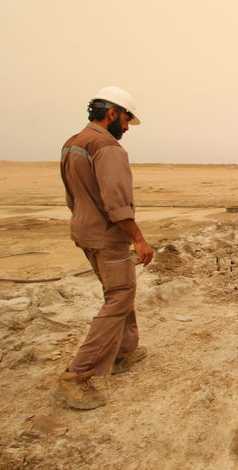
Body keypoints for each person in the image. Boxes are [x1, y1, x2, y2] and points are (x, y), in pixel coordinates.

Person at [52, 86, 154, 410]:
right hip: (108, 238)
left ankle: (126, 350)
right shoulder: (108, 148)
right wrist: (138, 238)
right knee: (119, 297)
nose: (126, 127)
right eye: (125, 119)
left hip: (85, 233)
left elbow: (72, 196)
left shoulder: (73, 144)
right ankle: (76, 376)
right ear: (112, 113)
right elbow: (117, 203)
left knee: (119, 292)